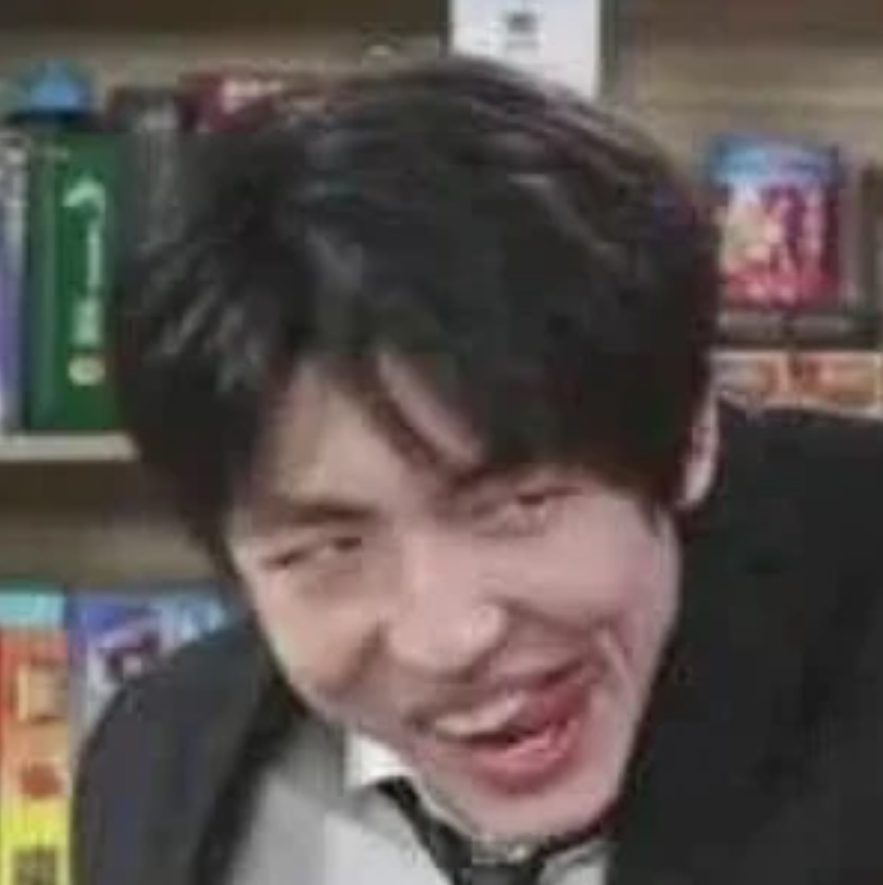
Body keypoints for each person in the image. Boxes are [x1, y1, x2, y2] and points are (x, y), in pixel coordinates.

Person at [74, 55, 883, 885]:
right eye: (325, 548)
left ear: (688, 436)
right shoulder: (153, 764)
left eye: (515, 505)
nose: (445, 640)